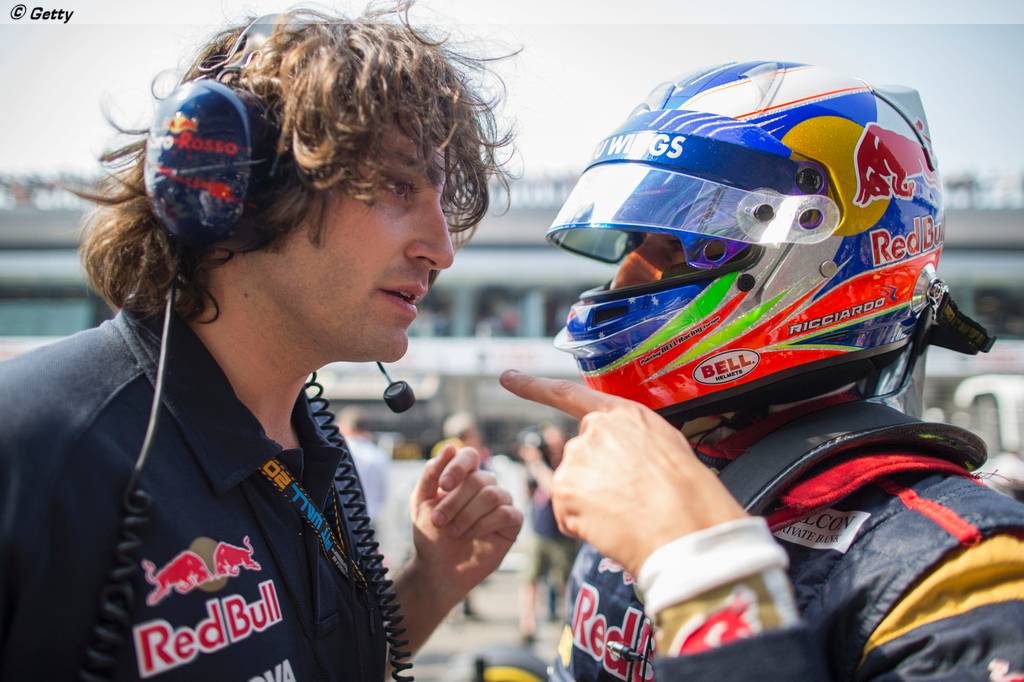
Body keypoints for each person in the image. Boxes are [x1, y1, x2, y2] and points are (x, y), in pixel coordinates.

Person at [0, 8, 523, 681]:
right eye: (398, 185)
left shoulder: (314, 447)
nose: (442, 250)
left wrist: (430, 583)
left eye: (441, 200)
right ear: (239, 186)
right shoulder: (34, 445)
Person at [500, 61, 1024, 680]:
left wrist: (706, 579)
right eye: (634, 244)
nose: (625, 279)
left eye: (685, 245)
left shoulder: (960, 568)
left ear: (820, 247)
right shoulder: (651, 477)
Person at [518, 424, 577, 646]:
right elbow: (528, 494)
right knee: (530, 580)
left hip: (563, 535)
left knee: (564, 584)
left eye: (555, 442)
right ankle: (528, 625)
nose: (551, 447)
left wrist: (537, 464)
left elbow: (553, 488)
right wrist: (530, 465)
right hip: (539, 531)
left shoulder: (568, 464)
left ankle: (569, 626)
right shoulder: (537, 465)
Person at [339, 406, 391, 527]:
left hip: (342, 521)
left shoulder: (339, 451)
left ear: (345, 427)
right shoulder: (379, 454)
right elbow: (383, 494)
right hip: (370, 520)